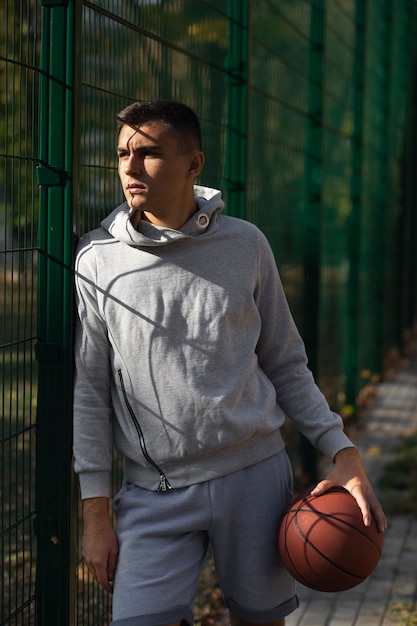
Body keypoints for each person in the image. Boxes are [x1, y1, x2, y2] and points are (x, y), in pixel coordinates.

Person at [73, 100, 387, 626]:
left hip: (253, 478)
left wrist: (344, 450)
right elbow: (90, 390)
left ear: (194, 164)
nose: (129, 167)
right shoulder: (97, 259)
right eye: (122, 153)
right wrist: (95, 512)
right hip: (153, 491)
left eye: (148, 153)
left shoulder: (246, 245)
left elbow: (286, 363)